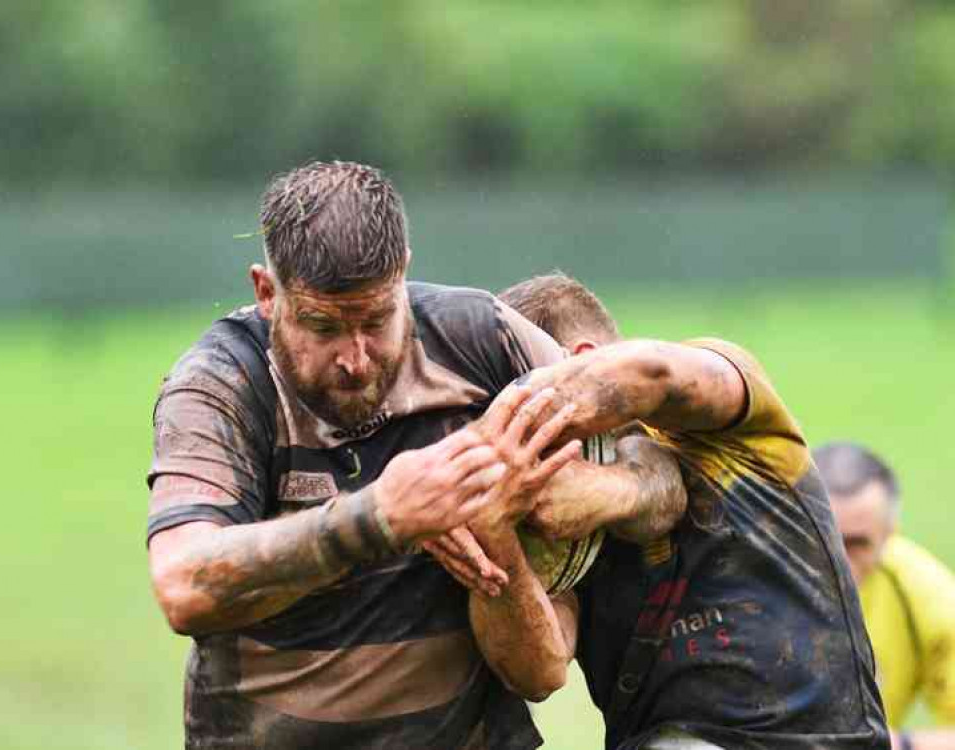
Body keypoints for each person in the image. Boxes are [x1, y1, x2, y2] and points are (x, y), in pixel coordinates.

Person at [145, 161, 681, 750]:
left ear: (403, 276)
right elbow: (183, 584)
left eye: (376, 321)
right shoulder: (222, 385)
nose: (356, 358)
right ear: (268, 293)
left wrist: (594, 493)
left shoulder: (484, 341)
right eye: (322, 327)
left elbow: (656, 465)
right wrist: (380, 518)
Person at [465, 273, 889, 750]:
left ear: (582, 363)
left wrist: (477, 442)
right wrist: (492, 530)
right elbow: (537, 671)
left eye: (518, 402)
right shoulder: (537, 503)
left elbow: (655, 372)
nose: (511, 435)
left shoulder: (734, 421)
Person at [814, 442, 955, 750]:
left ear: (890, 533)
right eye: (825, 541)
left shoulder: (928, 596)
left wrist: (896, 744)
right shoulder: (740, 584)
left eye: (857, 544)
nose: (841, 563)